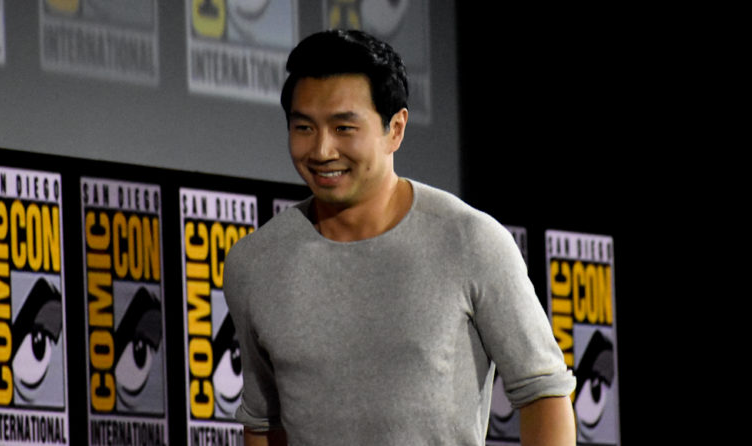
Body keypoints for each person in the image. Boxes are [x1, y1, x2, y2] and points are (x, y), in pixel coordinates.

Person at [223, 29, 576, 446]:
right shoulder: (255, 263)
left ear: (396, 129)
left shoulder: (470, 241)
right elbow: (264, 422)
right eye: (304, 127)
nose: (321, 150)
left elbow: (543, 394)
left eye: (344, 127)